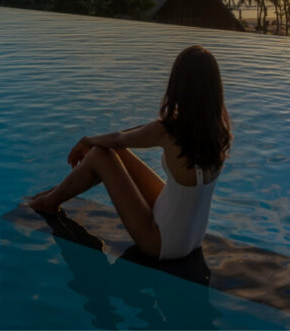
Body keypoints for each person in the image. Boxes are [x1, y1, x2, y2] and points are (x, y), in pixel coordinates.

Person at [27, 45, 232, 260]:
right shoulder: (218, 134)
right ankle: (57, 193)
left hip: (159, 243)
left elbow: (119, 138)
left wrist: (86, 140)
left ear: (179, 85)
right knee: (115, 151)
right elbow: (126, 138)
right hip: (193, 240)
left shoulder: (168, 131)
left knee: (99, 154)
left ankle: (49, 202)